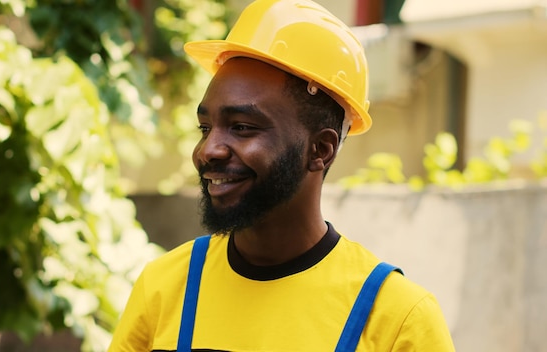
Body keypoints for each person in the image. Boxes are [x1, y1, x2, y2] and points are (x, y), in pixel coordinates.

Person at [108, 0, 455, 350]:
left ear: (320, 150)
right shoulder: (165, 288)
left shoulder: (398, 320)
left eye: (242, 127)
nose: (207, 150)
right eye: (205, 127)